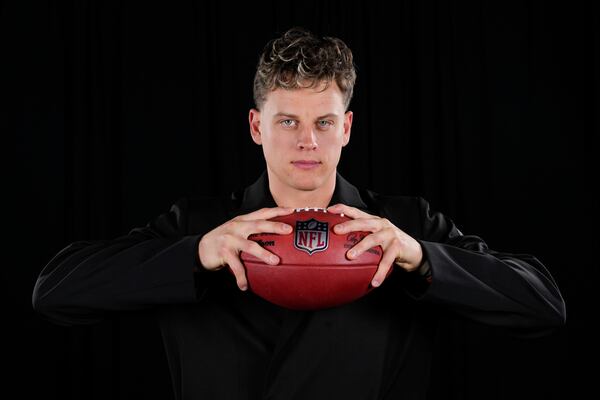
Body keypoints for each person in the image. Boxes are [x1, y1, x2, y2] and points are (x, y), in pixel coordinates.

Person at [32, 27, 566, 399]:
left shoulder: (404, 224)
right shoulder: (199, 225)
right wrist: (193, 254)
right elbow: (55, 292)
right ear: (256, 127)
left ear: (348, 128)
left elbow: (542, 305)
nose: (307, 142)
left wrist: (424, 258)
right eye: (287, 121)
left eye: (325, 123)